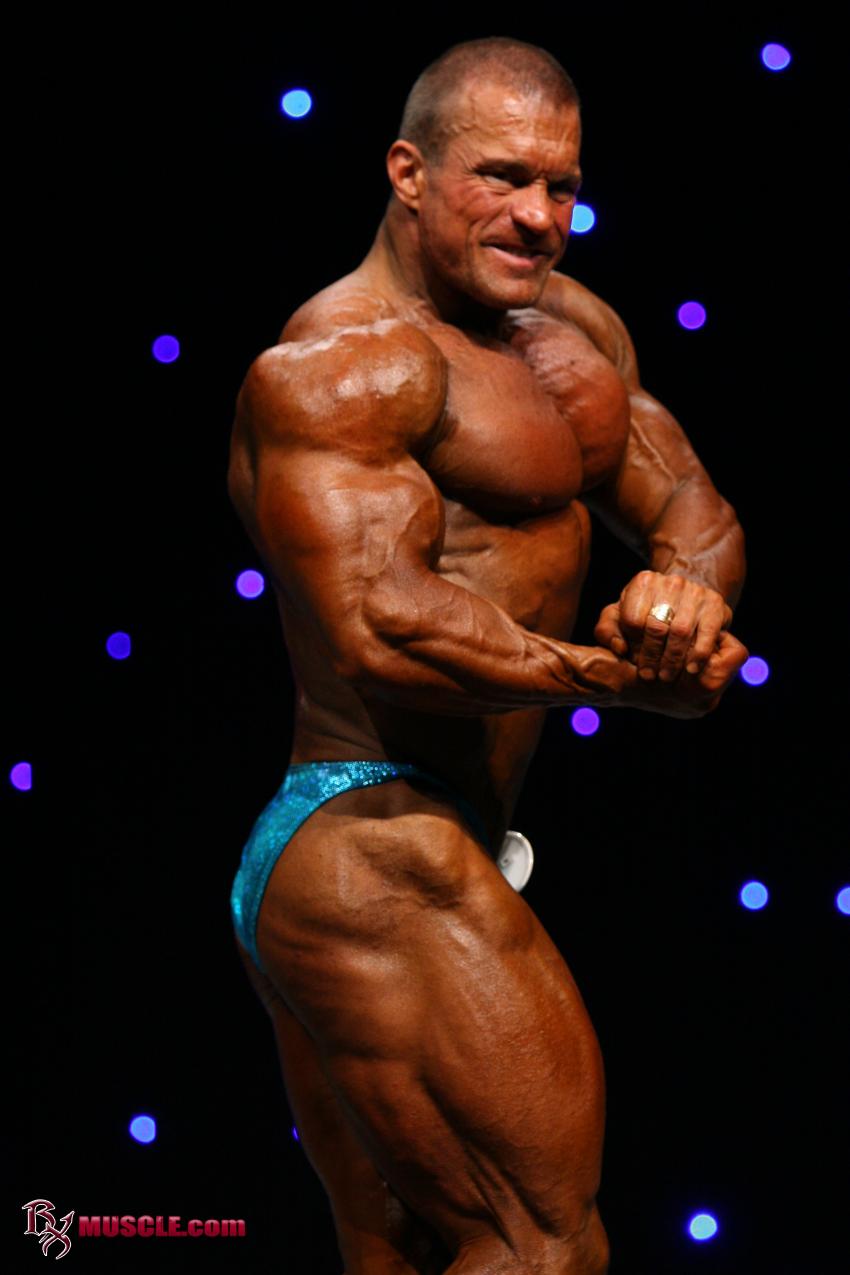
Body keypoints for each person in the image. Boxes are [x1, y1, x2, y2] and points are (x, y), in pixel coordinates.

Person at [227, 36, 747, 1275]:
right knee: (544, 1247)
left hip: (426, 835)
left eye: (561, 185)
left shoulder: (570, 332)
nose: (538, 215)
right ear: (407, 172)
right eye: (502, 177)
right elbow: (383, 627)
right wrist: (612, 678)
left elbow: (693, 509)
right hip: (369, 835)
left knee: (408, 1255)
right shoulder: (339, 364)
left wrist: (680, 601)